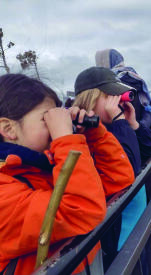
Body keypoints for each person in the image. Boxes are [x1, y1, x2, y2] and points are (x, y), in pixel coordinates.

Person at [0, 74, 134, 275]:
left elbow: (118, 181)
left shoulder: (43, 167)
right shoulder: (5, 191)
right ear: (8, 128)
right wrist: (66, 140)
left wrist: (93, 134)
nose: (57, 124)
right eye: (47, 117)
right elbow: (83, 210)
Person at [73, 66, 151, 270]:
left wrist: (133, 123)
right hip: (119, 241)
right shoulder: (89, 138)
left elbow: (150, 149)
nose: (119, 101)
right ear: (91, 99)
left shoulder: (115, 129)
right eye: (111, 96)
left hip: (135, 229)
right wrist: (120, 122)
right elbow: (129, 167)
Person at [95, 48, 151, 165]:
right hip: (140, 147)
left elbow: (148, 150)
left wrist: (130, 124)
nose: (122, 102)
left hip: (136, 147)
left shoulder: (116, 81)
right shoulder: (135, 79)